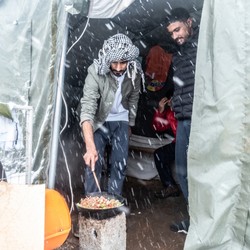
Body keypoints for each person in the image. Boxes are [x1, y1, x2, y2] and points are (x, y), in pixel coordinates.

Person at [79, 33, 144, 195]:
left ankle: (114, 202)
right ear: (108, 60)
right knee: (94, 161)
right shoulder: (95, 71)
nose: (118, 68)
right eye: (114, 63)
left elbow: (134, 97)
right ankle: (93, 202)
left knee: (119, 164)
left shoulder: (134, 71)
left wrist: (130, 123)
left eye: (123, 63)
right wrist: (90, 146)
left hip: (121, 120)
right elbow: (87, 108)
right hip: (100, 121)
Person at [165, 7, 199, 233]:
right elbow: (180, 88)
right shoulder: (177, 56)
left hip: (201, 120)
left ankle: (208, 222)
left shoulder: (202, 48)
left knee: (203, 172)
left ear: (189, 22)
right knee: (182, 171)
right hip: (184, 120)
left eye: (177, 29)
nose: (175, 36)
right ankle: (195, 220)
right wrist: (173, 102)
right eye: (171, 33)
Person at [152, 97, 180, 198]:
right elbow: (157, 127)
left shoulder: (187, 109)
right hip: (178, 143)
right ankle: (170, 186)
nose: (170, 102)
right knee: (159, 154)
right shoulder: (170, 113)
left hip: (192, 143)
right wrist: (160, 110)